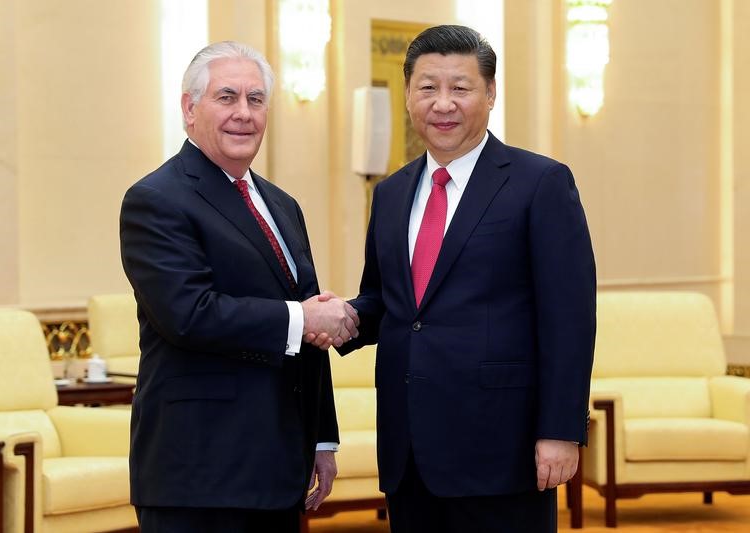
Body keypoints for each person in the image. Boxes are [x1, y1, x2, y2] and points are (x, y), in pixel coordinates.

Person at [327, 24, 596, 532]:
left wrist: (561, 430)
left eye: (461, 87)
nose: (443, 103)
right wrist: (339, 317)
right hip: (409, 449)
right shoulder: (391, 194)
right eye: (428, 88)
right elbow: (388, 302)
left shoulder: (541, 183)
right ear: (408, 94)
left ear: (490, 93)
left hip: (503, 448)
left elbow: (570, 318)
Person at [119, 41, 359, 533]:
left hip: (278, 469)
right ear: (189, 109)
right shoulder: (156, 200)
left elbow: (308, 325)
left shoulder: (282, 205)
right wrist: (302, 318)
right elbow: (189, 314)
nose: (243, 114)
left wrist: (321, 439)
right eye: (226, 97)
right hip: (199, 474)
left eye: (255, 100)